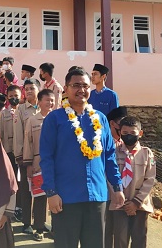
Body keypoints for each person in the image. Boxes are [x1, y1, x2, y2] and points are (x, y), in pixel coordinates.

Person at [39, 68, 124, 248]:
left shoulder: (100, 119)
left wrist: (117, 187)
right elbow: (46, 158)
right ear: (66, 88)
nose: (81, 90)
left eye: (85, 85)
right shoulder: (55, 119)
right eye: (76, 85)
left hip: (97, 195)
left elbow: (109, 156)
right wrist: (51, 193)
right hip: (66, 197)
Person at [110, 116, 155, 248]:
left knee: (139, 238)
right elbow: (109, 176)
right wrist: (118, 197)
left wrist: (136, 202)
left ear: (140, 133)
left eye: (132, 133)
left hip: (140, 205)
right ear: (120, 133)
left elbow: (150, 179)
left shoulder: (147, 154)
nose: (128, 136)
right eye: (125, 133)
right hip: (118, 204)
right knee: (119, 239)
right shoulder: (113, 153)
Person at [22, 89, 55, 241]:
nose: (50, 103)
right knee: (40, 196)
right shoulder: (33, 120)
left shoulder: (57, 119)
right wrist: (28, 164)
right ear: (40, 102)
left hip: (56, 164)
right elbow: (28, 143)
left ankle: (56, 227)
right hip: (38, 163)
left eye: (52, 100)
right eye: (47, 100)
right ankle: (39, 227)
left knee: (56, 195)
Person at [13, 78, 40, 234]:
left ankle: (40, 222)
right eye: (27, 89)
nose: (29, 91)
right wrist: (21, 156)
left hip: (42, 158)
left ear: (38, 89)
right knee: (26, 189)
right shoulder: (21, 109)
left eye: (32, 88)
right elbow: (18, 135)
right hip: (26, 157)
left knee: (42, 190)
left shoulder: (44, 107)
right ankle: (26, 222)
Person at [0, 84, 23, 220]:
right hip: (8, 152)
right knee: (11, 181)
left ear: (21, 96)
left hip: (22, 152)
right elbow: (0, 134)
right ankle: (11, 207)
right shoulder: (4, 114)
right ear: (7, 98)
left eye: (16, 96)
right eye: (11, 96)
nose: (13, 98)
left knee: (22, 181)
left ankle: (21, 206)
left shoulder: (24, 112)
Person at [105, 106, 128, 248]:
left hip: (122, 195)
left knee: (120, 232)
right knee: (106, 230)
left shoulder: (125, 144)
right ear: (112, 124)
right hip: (107, 194)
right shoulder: (104, 142)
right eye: (121, 123)